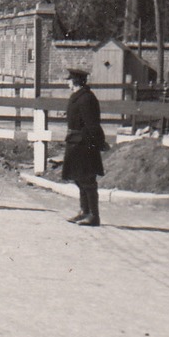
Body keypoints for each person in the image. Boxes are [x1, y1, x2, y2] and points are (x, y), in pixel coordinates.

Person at [62, 67, 108, 227]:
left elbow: (92, 124)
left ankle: (94, 216)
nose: (67, 82)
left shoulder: (87, 98)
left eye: (69, 79)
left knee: (88, 180)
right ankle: (84, 211)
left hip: (84, 144)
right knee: (78, 179)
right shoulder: (77, 97)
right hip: (75, 142)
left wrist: (97, 143)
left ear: (75, 81)